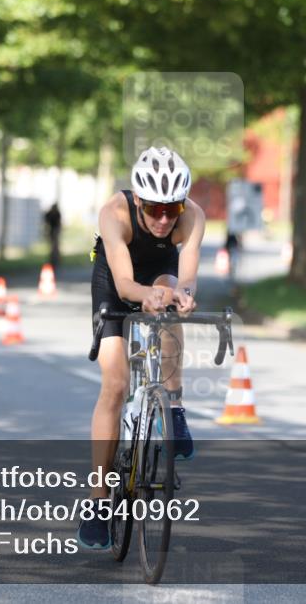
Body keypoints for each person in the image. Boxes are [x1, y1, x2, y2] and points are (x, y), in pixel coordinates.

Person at [77, 146, 206, 550]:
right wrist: (145, 296)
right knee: (115, 385)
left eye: (173, 209)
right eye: (154, 209)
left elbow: (187, 276)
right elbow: (125, 284)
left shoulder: (193, 217)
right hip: (117, 280)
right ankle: (98, 503)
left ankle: (175, 406)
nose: (165, 218)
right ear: (137, 200)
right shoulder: (114, 213)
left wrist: (181, 296)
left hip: (159, 272)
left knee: (169, 302)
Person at [44, 203, 62, 270]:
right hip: (51, 230)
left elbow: (59, 223)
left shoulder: (57, 213)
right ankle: (53, 260)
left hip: (55, 230)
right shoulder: (50, 213)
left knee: (55, 247)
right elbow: (46, 221)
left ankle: (56, 260)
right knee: (53, 247)